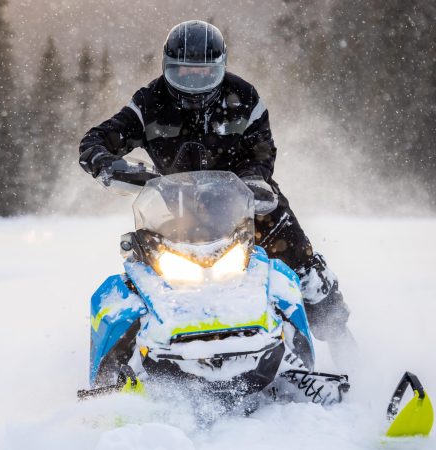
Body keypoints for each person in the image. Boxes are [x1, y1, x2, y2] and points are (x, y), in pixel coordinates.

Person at [78, 20, 352, 354]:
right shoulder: (149, 102)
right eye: (183, 73)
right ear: (167, 67)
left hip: (245, 202)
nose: (193, 82)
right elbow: (96, 139)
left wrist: (254, 180)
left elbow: (263, 150)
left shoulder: (245, 98)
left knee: (298, 258)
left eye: (204, 74)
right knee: (150, 272)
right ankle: (134, 352)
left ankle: (340, 341)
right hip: (175, 208)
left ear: (220, 69)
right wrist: (111, 164)